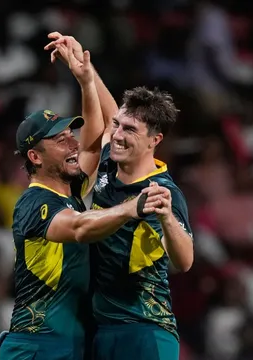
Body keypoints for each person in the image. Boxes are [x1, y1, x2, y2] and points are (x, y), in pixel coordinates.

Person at [0, 43, 168, 360]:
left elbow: (93, 140)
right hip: (37, 345)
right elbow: (77, 228)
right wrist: (132, 208)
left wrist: (87, 82)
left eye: (70, 134)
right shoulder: (33, 202)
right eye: (59, 139)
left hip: (72, 347)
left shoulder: (71, 191)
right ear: (35, 156)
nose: (71, 142)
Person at [46, 33, 194, 360]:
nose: (117, 135)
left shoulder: (162, 191)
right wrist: (85, 74)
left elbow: (184, 262)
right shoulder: (110, 161)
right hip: (100, 329)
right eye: (117, 126)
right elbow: (112, 109)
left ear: (155, 140)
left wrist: (168, 219)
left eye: (129, 130)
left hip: (145, 329)